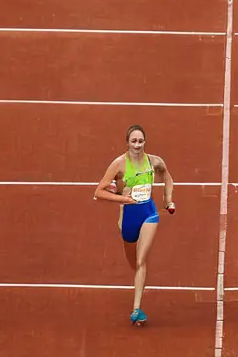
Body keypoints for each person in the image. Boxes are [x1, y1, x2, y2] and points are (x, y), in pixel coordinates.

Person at [93, 125, 176, 326]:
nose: (137, 145)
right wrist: (121, 198)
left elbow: (168, 178)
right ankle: (139, 282)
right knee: (134, 263)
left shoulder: (155, 162)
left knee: (140, 260)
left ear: (145, 142)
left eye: (140, 141)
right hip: (128, 215)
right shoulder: (119, 165)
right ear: (127, 143)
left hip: (149, 213)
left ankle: (136, 309)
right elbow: (98, 192)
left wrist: (168, 200)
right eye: (134, 141)